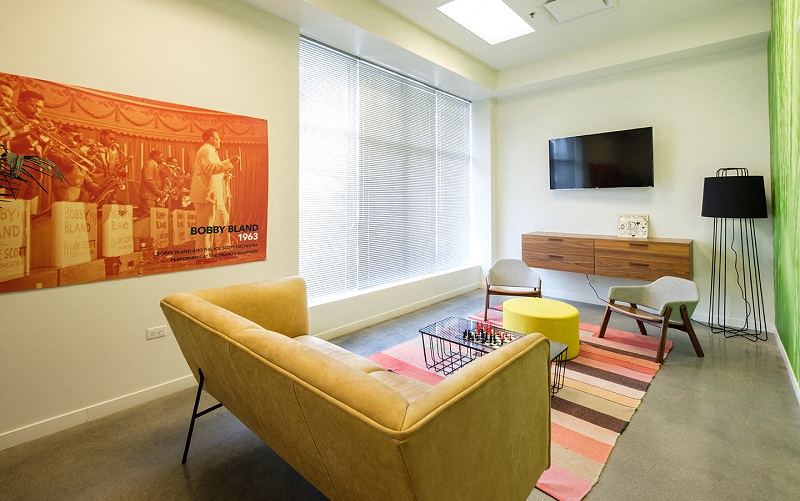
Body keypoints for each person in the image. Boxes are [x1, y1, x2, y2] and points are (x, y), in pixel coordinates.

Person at [189, 128, 238, 261]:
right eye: (218, 137)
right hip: (206, 195)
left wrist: (223, 175)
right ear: (212, 138)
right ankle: (202, 256)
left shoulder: (210, 151)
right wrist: (229, 161)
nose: (220, 140)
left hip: (214, 195)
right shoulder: (205, 150)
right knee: (206, 226)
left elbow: (212, 172)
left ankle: (223, 250)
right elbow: (210, 169)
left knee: (223, 219)